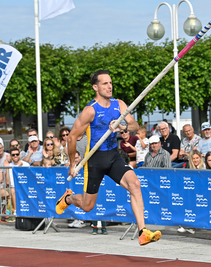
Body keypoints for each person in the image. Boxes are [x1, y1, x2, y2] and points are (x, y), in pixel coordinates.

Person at [55, 70, 161, 246]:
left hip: (113, 155)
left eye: (110, 82)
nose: (109, 86)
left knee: (135, 183)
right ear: (95, 87)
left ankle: (142, 232)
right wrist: (72, 165)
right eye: (104, 83)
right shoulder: (90, 110)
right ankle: (68, 198)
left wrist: (122, 125)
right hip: (94, 160)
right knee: (88, 206)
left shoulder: (118, 105)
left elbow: (134, 125)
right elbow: (72, 137)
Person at [68, 151, 87, 229]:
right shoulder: (70, 166)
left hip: (84, 185)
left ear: (80, 157)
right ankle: (77, 218)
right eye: (73, 158)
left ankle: (83, 220)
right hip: (75, 186)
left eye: (76, 158)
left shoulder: (85, 164)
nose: (75, 160)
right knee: (75, 199)